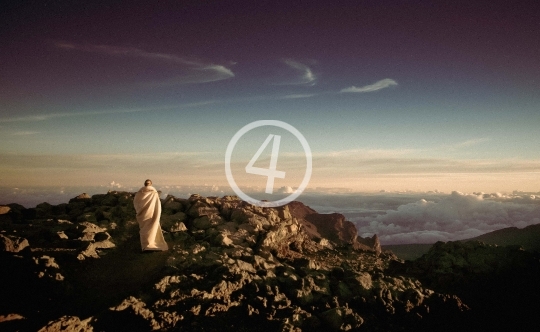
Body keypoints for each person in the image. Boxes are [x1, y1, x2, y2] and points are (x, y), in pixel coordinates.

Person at [133, 179, 168, 251]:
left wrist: (140, 210)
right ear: (151, 184)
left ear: (145, 184)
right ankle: (149, 244)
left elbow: (136, 203)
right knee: (150, 228)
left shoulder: (139, 193)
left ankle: (144, 245)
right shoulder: (153, 192)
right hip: (150, 214)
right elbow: (157, 204)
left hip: (141, 215)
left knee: (143, 228)